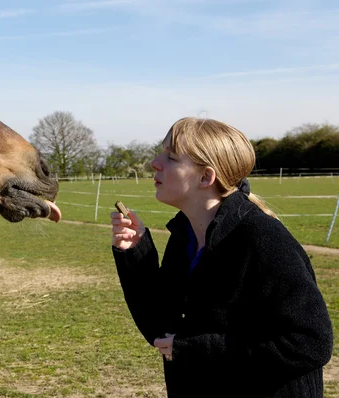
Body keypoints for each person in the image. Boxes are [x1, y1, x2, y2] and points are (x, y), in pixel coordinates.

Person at [110, 117, 333, 397]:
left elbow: (311, 343)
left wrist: (200, 350)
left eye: (171, 157)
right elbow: (161, 329)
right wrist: (135, 254)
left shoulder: (263, 240)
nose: (155, 162)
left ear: (206, 177)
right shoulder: (185, 238)